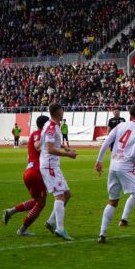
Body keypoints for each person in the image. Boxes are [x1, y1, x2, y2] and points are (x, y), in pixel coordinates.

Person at [95, 103, 135, 246]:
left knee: (113, 201)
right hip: (126, 166)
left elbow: (106, 142)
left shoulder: (120, 126)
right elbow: (134, 154)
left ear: (131, 115)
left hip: (114, 166)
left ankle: (102, 234)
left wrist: (99, 161)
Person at [3, 116, 50, 236]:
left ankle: (11, 211)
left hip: (29, 172)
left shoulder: (36, 133)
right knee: (41, 203)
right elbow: (38, 146)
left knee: (38, 201)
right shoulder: (39, 134)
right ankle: (22, 230)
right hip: (35, 172)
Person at [41, 103, 78, 241]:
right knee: (60, 196)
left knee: (67, 195)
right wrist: (68, 155)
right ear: (58, 112)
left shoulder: (52, 125)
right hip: (50, 166)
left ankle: (51, 222)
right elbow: (50, 149)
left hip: (53, 166)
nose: (63, 111)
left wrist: (65, 147)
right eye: (62, 109)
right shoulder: (51, 127)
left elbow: (53, 142)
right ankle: (60, 229)